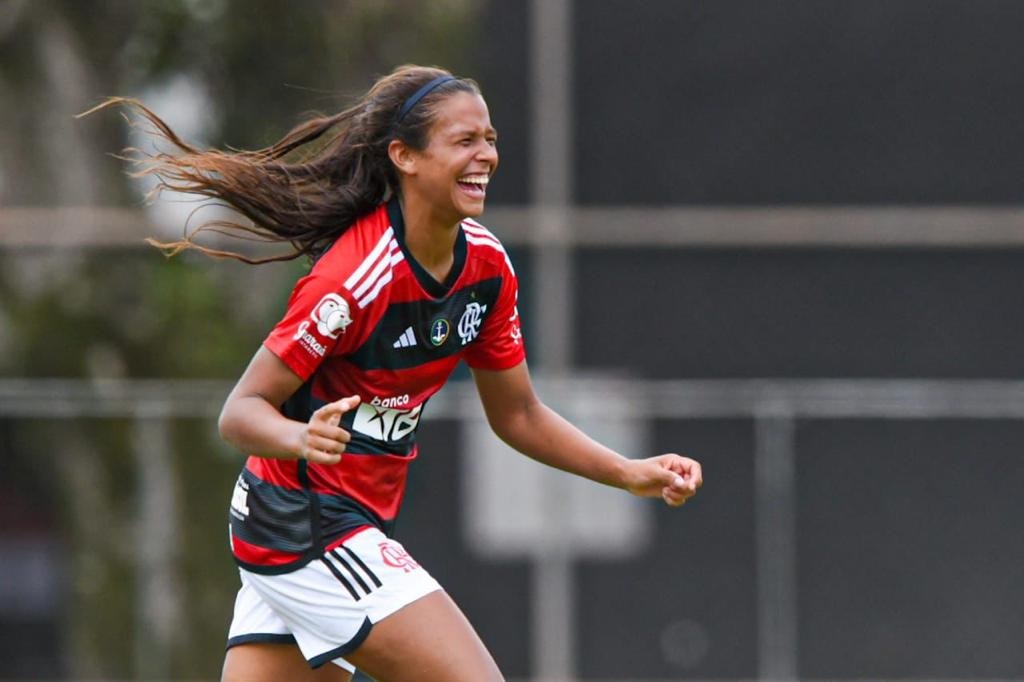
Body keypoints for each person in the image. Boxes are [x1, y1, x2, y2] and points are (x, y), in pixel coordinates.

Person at [89, 65, 703, 682]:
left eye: (490, 139)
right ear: (404, 156)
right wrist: (299, 437)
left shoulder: (486, 268)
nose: (485, 155)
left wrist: (628, 472)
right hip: (304, 523)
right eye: (464, 141)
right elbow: (241, 412)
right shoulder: (354, 278)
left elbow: (518, 414)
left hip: (329, 520)